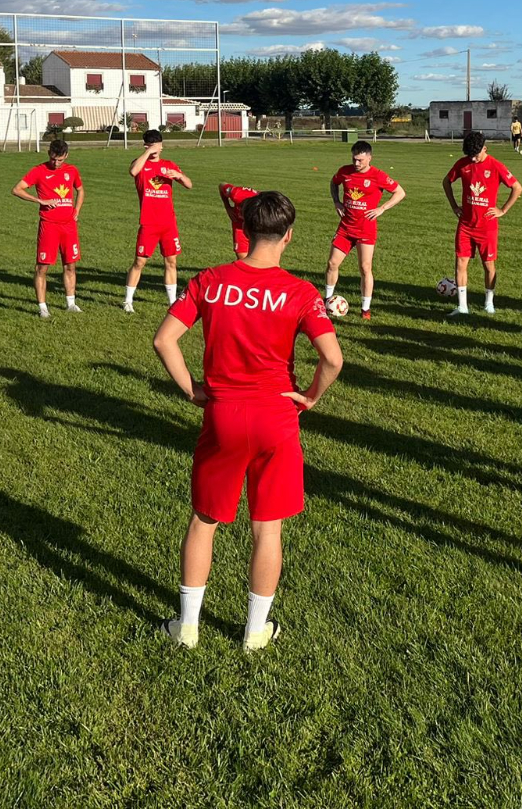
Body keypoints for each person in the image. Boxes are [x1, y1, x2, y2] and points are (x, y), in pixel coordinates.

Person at [153, 191, 344, 651]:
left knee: (204, 521)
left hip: (222, 414)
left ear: (245, 229)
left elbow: (164, 340)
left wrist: (191, 388)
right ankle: (255, 632)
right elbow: (333, 359)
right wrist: (310, 397)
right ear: (289, 236)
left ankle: (187, 628)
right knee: (267, 527)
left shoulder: (210, 280)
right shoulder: (301, 292)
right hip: (276, 416)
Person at [324, 141, 406, 321]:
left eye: (360, 160)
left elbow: (400, 192)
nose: (356, 163)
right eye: (354, 159)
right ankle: (327, 301)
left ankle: (365, 309)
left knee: (365, 267)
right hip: (345, 228)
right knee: (332, 263)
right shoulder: (345, 171)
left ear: (370, 158)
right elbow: (333, 182)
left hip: (365, 230)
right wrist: (336, 201)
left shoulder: (378, 176)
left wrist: (382, 208)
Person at [443, 131, 521, 317]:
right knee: (461, 263)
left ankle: (489, 302)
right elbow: (446, 182)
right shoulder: (462, 164)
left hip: (487, 227)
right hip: (465, 225)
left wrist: (502, 210)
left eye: (476, 155)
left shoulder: (495, 166)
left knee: (488, 266)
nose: (473, 159)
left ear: (485, 148)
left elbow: (517, 188)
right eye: (470, 155)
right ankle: (462, 307)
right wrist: (454, 206)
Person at [13, 139, 84, 318]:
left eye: (60, 160)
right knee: (42, 268)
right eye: (53, 159)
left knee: (70, 265)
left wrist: (76, 210)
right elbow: (17, 189)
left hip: (69, 226)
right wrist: (40, 200)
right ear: (48, 154)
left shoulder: (72, 170)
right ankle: (43, 307)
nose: (56, 163)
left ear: (66, 156)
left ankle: (71, 303)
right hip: (49, 226)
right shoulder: (39, 171)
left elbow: (80, 190)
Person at [124, 130, 192, 312]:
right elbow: (133, 171)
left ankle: (172, 302)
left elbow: (189, 184)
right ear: (145, 145)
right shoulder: (140, 164)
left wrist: (179, 176)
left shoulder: (169, 165)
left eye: (157, 145)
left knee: (171, 262)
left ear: (162, 146)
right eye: (151, 145)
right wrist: (147, 152)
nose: (155, 149)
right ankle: (128, 301)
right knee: (139, 262)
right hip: (149, 223)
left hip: (168, 223)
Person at [219, 181, 258, 261]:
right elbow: (221, 185)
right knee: (242, 257)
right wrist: (227, 206)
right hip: (239, 224)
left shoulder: (262, 206)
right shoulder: (235, 194)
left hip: (256, 226)